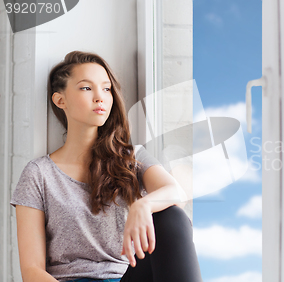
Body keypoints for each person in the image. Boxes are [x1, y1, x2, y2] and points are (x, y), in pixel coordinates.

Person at [10, 51, 203, 282]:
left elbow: (176, 192)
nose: (100, 97)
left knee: (172, 217)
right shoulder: (38, 174)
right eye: (86, 88)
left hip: (125, 277)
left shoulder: (132, 158)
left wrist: (143, 205)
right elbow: (31, 270)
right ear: (60, 100)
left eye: (106, 89)